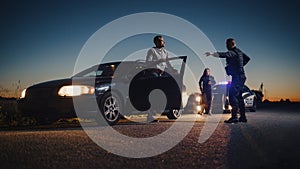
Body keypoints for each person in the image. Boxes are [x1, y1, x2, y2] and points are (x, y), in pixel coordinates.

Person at [205, 38, 250, 123]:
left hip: (237, 77)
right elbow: (247, 58)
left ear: (232, 44)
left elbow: (224, 54)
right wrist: (240, 65)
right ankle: (243, 117)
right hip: (241, 76)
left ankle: (234, 117)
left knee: (232, 95)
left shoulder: (232, 52)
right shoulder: (239, 52)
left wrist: (212, 54)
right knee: (239, 96)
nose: (226, 46)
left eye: (227, 44)